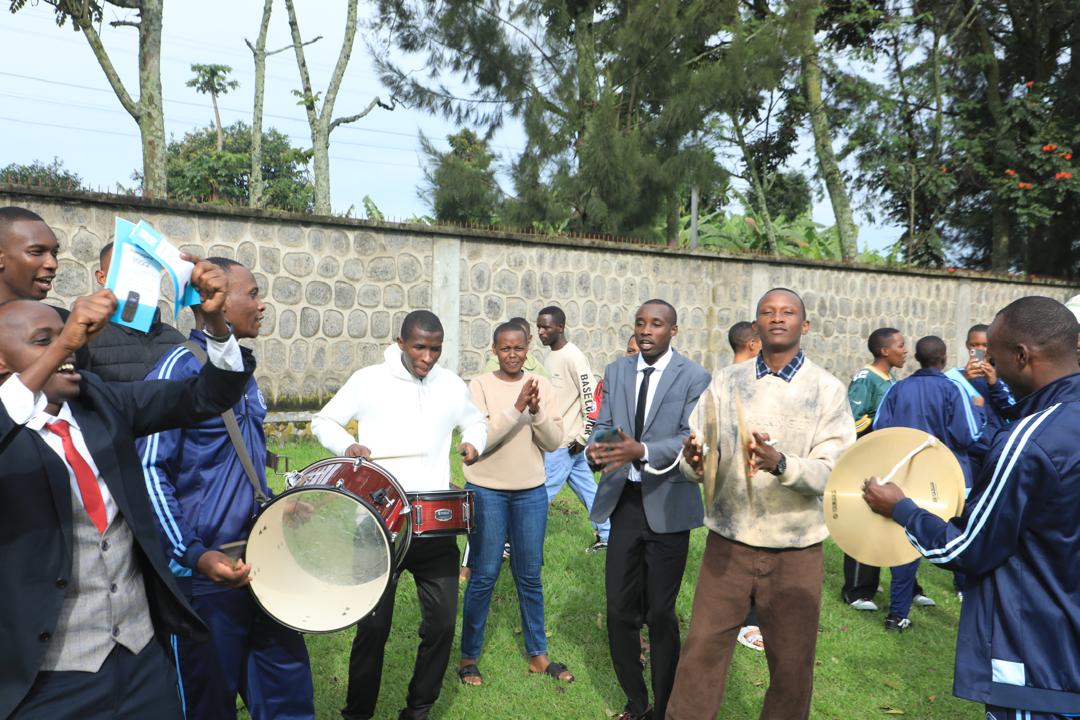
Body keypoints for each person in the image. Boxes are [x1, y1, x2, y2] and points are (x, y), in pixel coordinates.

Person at [0, 262, 254, 719]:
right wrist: (65, 342)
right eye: (46, 340)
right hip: (48, 681)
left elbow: (207, 396)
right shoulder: (9, 436)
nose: (71, 346)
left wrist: (215, 324)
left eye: (72, 335)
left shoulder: (101, 402)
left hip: (141, 665)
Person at [864, 296, 1080, 720]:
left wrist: (902, 509)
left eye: (996, 359)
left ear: (1021, 356)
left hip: (1036, 664)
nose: (990, 369)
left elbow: (966, 548)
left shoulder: (1028, 443)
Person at [667, 288, 855, 720]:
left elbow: (834, 472)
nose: (777, 318)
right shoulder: (726, 381)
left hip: (796, 549)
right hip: (728, 544)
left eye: (788, 312)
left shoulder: (826, 390)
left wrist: (781, 463)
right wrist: (693, 463)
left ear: (803, 326)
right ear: (756, 326)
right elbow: (697, 451)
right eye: (767, 312)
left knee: (791, 666)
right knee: (701, 654)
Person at [138, 258, 314, 720]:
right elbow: (148, 470)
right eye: (252, 294)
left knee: (288, 700)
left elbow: (239, 465)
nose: (262, 304)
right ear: (214, 302)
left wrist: (278, 506)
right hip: (205, 579)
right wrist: (193, 554)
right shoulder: (177, 370)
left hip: (263, 563)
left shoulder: (242, 369)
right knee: (208, 705)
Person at [311, 310, 486, 720]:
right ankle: (358, 713)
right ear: (401, 342)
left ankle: (419, 709)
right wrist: (347, 446)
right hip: (377, 522)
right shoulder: (369, 380)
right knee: (372, 628)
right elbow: (324, 420)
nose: (428, 356)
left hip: (435, 523)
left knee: (441, 625)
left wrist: (474, 442)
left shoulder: (450, 384)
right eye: (420, 347)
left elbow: (475, 422)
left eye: (436, 349)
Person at [586, 299, 711, 720]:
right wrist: (595, 451)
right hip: (625, 502)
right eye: (640, 323)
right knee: (619, 610)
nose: (646, 330)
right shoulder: (617, 371)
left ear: (672, 331)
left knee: (660, 612)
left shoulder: (694, 377)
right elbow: (603, 423)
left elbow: (690, 437)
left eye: (656, 324)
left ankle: (664, 707)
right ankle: (636, 702)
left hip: (669, 504)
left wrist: (641, 450)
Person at [457, 322, 569, 686]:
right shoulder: (480, 386)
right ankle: (469, 656)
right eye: (504, 349)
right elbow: (481, 439)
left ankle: (538, 654)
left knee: (529, 575)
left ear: (528, 348)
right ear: (494, 350)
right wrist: (518, 405)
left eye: (518, 348)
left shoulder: (543, 387)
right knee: (485, 574)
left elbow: (554, 442)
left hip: (530, 492)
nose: (512, 354)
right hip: (486, 490)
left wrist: (535, 412)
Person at [872, 335, 983, 631]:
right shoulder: (953, 389)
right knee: (956, 533)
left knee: (907, 537)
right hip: (946, 479)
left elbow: (879, 429)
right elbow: (969, 435)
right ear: (944, 358)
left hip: (906, 476)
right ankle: (965, 594)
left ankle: (898, 613)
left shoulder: (897, 388)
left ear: (918, 358)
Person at [842, 327, 909, 612]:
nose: (906, 350)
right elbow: (850, 421)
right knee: (864, 521)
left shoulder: (891, 379)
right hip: (865, 459)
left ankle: (874, 579)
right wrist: (877, 424)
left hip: (885, 461)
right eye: (901, 345)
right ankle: (856, 590)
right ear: (884, 351)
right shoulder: (865, 379)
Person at [536, 305, 610, 552]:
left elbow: (591, 400)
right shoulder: (551, 355)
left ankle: (515, 541)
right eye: (538, 327)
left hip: (566, 442)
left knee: (538, 496)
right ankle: (609, 534)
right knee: (589, 490)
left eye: (546, 327)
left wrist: (583, 436)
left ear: (560, 327)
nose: (541, 332)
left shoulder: (573, 356)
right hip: (560, 440)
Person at [85, 241, 187, 382]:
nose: (137, 276)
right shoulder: (87, 338)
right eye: (124, 269)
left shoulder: (176, 341)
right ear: (102, 278)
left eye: (145, 268)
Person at [728, 320, 766, 651]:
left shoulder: (724, 380)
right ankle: (747, 621)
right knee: (748, 554)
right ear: (753, 345)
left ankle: (748, 617)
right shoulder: (739, 383)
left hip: (745, 480)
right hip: (745, 480)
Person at [945, 323, 1016, 477]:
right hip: (966, 452)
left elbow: (1013, 410)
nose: (980, 350)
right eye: (974, 345)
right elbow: (945, 407)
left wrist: (994, 383)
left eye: (985, 345)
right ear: (967, 346)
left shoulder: (1005, 377)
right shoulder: (953, 377)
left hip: (996, 449)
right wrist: (964, 380)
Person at [482, 316, 548, 377]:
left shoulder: (537, 368)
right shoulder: (492, 365)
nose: (512, 355)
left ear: (529, 339)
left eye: (522, 335)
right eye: (505, 349)